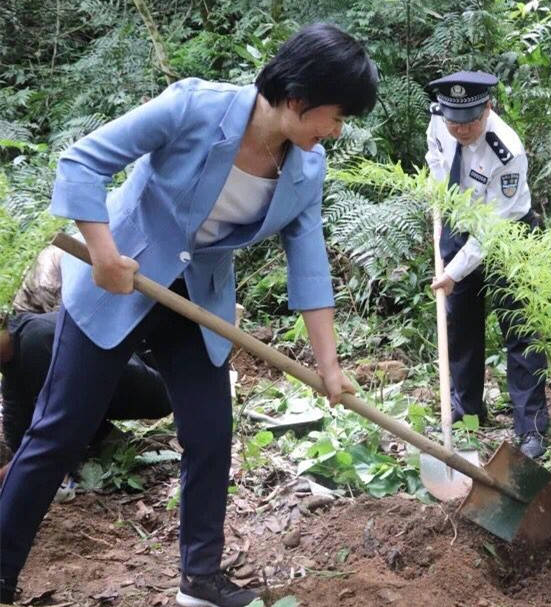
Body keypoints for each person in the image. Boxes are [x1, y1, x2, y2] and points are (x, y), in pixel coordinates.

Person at [0, 23, 378, 607]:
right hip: (119, 283)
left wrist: (329, 365)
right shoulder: (193, 108)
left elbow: (309, 265)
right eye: (336, 115)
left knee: (209, 434)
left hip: (196, 303)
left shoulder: (307, 168)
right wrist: (101, 253)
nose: (336, 130)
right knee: (57, 434)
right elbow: (82, 163)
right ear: (299, 98)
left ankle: (199, 580)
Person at [425, 71, 549, 459]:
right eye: (453, 120)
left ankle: (530, 429)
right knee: (459, 325)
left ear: (488, 108)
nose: (460, 129)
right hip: (457, 225)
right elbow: (435, 158)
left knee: (520, 330)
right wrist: (437, 203)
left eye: (470, 121)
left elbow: (492, 232)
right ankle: (467, 416)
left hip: (507, 235)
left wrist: (451, 272)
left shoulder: (506, 151)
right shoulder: (438, 121)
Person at [0, 309, 172, 491]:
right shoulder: (14, 352)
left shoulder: (35, 342)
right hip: (139, 377)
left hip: (159, 384)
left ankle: (111, 444)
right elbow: (16, 423)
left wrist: (18, 470)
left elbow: (55, 427)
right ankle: (104, 444)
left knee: (62, 422)